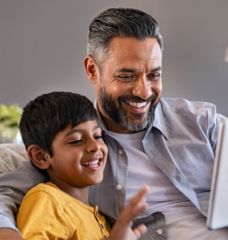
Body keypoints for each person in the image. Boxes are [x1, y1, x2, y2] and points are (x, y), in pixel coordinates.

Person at [0, 7, 228, 240]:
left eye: (154, 75)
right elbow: (5, 196)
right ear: (93, 70)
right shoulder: (80, 153)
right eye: (127, 76)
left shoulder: (200, 122)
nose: (144, 91)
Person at [16, 91, 148, 240]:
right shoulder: (47, 200)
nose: (95, 146)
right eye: (77, 140)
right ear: (40, 156)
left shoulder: (101, 217)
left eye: (98, 136)